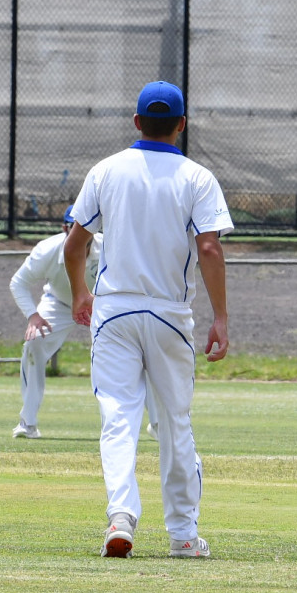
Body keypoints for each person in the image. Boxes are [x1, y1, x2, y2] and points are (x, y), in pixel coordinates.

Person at [65, 81, 232, 558]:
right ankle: (182, 534)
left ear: (137, 122)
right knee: (175, 423)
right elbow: (208, 247)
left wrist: (81, 291)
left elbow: (75, 245)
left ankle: (121, 516)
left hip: (113, 310)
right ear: (182, 125)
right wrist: (220, 316)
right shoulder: (197, 177)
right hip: (169, 314)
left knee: (118, 418)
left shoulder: (105, 171)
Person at [9, 220, 102, 439]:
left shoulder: (109, 248)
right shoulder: (47, 250)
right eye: (74, 224)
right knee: (34, 343)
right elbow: (18, 282)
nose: (80, 230)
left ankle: (155, 424)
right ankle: (28, 422)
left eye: (86, 225)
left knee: (133, 350)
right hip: (59, 303)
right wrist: (33, 316)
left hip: (101, 303)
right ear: (65, 228)